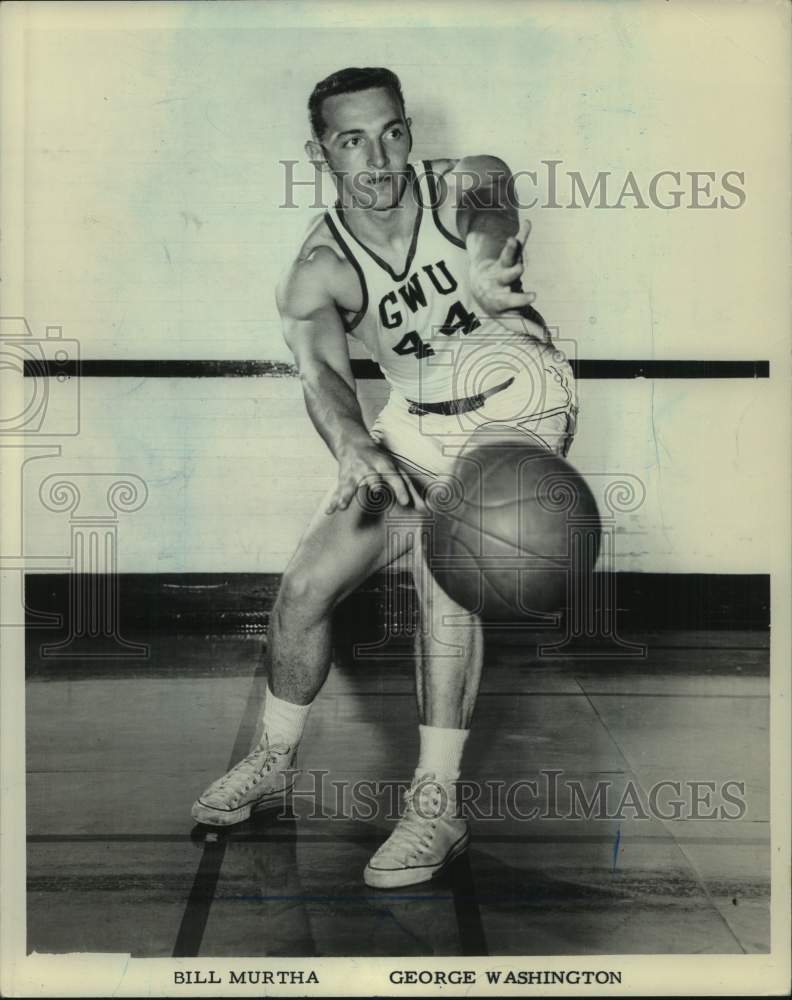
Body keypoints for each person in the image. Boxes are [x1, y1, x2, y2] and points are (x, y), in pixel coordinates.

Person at [191, 67, 577, 889]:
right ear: (319, 151)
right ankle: (273, 760)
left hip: (518, 397)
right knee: (303, 589)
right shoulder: (319, 267)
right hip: (414, 425)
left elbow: (491, 192)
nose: (378, 155)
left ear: (409, 129)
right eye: (351, 139)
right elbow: (320, 374)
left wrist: (483, 267)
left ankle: (438, 804)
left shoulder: (455, 187)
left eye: (392, 131)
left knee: (448, 572)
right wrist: (351, 443)